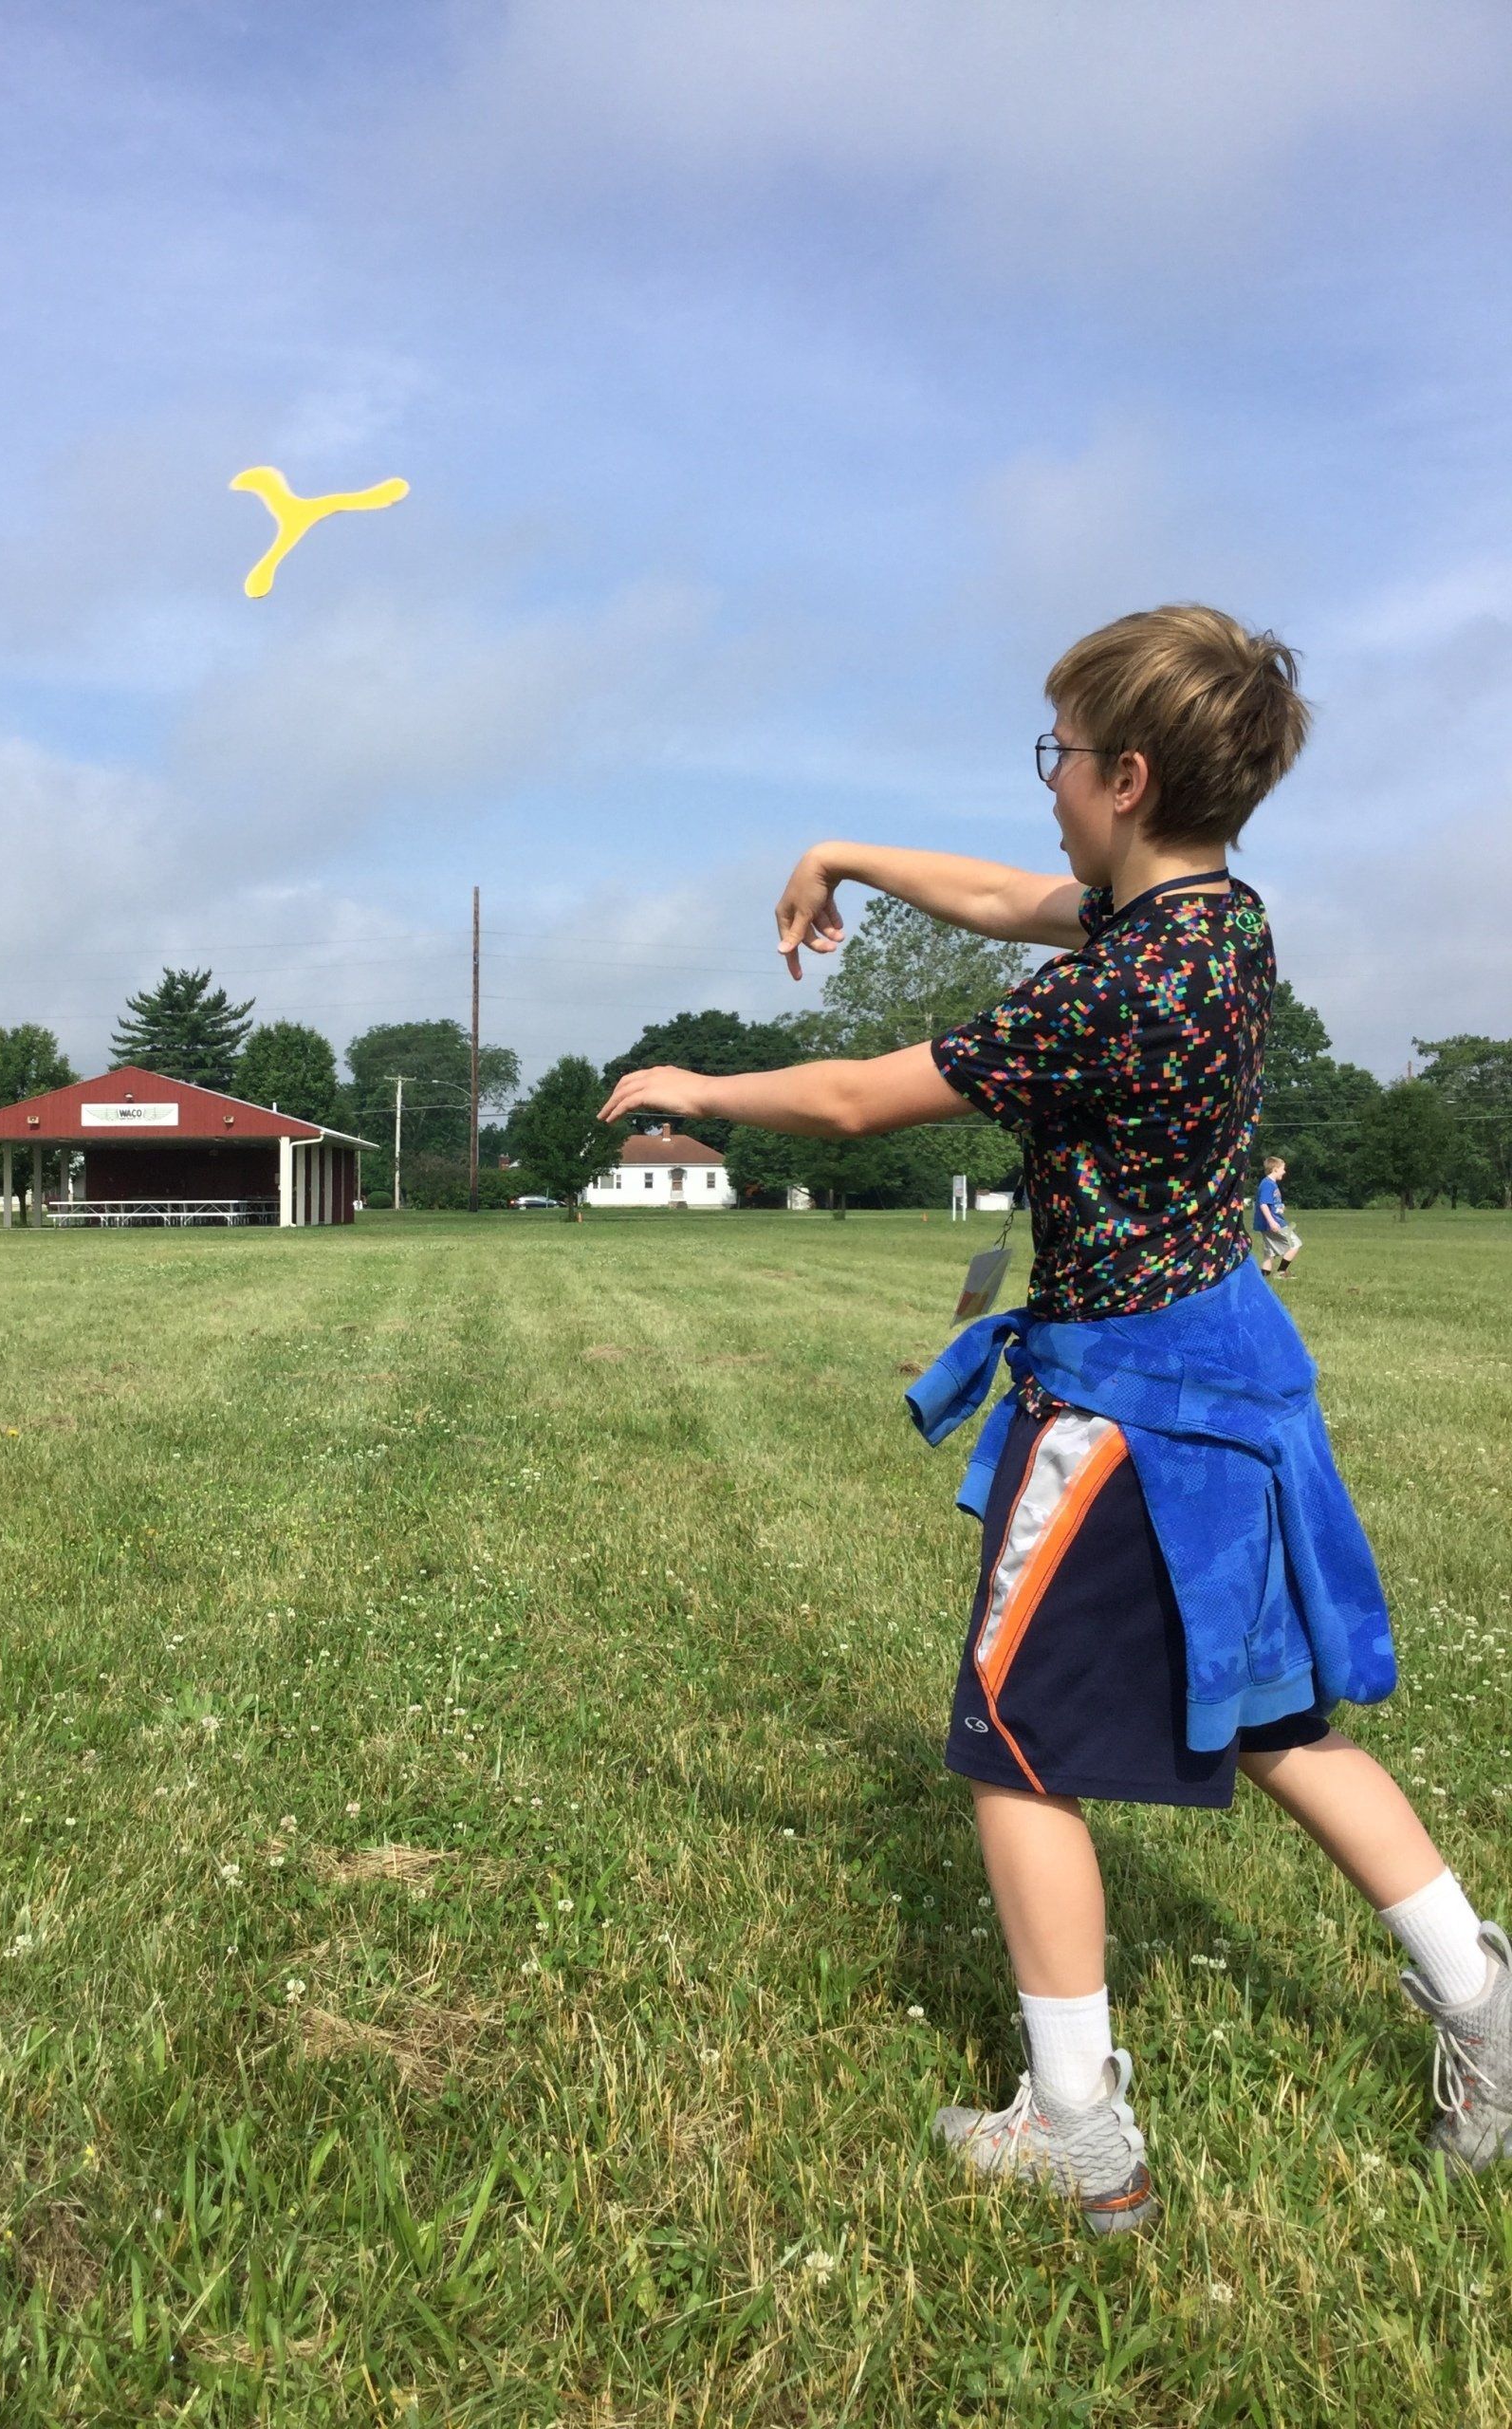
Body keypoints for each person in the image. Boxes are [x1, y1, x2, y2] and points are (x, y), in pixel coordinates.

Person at [599, 604, 1509, 2230]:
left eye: (1063, 760)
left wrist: (697, 1090)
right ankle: (1486, 2002)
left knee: (1014, 1743)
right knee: (1276, 1717)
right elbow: (1019, 898)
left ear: (1128, 775)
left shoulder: (1118, 997)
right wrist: (846, 855)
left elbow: (862, 1095)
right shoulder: (1220, 926)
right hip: (1233, 1374)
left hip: (1129, 1407)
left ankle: (1080, 2132)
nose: (1049, 788)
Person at [1255, 1153, 1300, 1277]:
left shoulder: (1268, 1183)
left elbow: (1270, 1203)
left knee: (1269, 1252)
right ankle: (1281, 1273)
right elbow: (1263, 1204)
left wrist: (1280, 1207)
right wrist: (1271, 1221)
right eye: (1283, 1169)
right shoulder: (1268, 1184)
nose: (1284, 1172)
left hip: (1268, 1223)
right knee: (1295, 1243)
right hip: (1274, 1223)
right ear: (1275, 1169)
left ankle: (1263, 1277)